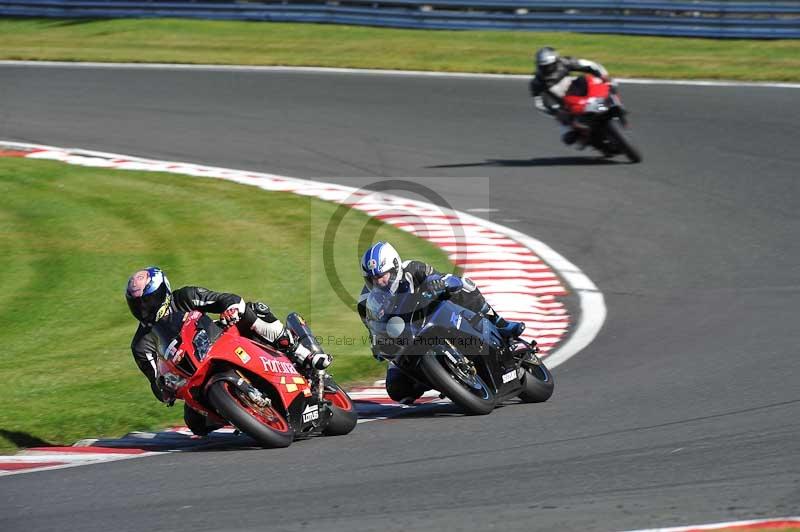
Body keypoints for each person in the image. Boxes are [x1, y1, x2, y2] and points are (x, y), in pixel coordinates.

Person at [125, 266, 331, 435]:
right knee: (195, 424)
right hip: (193, 376)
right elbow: (155, 381)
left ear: (164, 292)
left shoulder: (185, 297)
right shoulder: (141, 346)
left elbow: (225, 299)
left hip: (216, 341)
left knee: (254, 310)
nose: (145, 309)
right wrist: (165, 390)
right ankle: (245, 414)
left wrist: (230, 308)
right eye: (138, 305)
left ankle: (303, 354)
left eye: (149, 301)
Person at [356, 242, 525, 405]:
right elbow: (373, 331)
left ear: (394, 267)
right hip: (406, 340)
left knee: (464, 285)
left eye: (381, 276)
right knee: (396, 389)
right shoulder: (366, 302)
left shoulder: (413, 269)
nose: (378, 282)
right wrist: (378, 346)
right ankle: (438, 378)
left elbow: (445, 279)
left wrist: (440, 283)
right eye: (372, 278)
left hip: (432, 316)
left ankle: (499, 323)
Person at [529, 46, 611, 146]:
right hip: (564, 107)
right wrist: (555, 111)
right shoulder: (537, 82)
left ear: (555, 61)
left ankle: (606, 107)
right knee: (568, 137)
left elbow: (590, 65)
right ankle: (584, 136)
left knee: (586, 80)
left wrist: (602, 75)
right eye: (543, 67)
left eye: (548, 66)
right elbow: (539, 104)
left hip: (577, 91)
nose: (546, 69)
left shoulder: (564, 62)